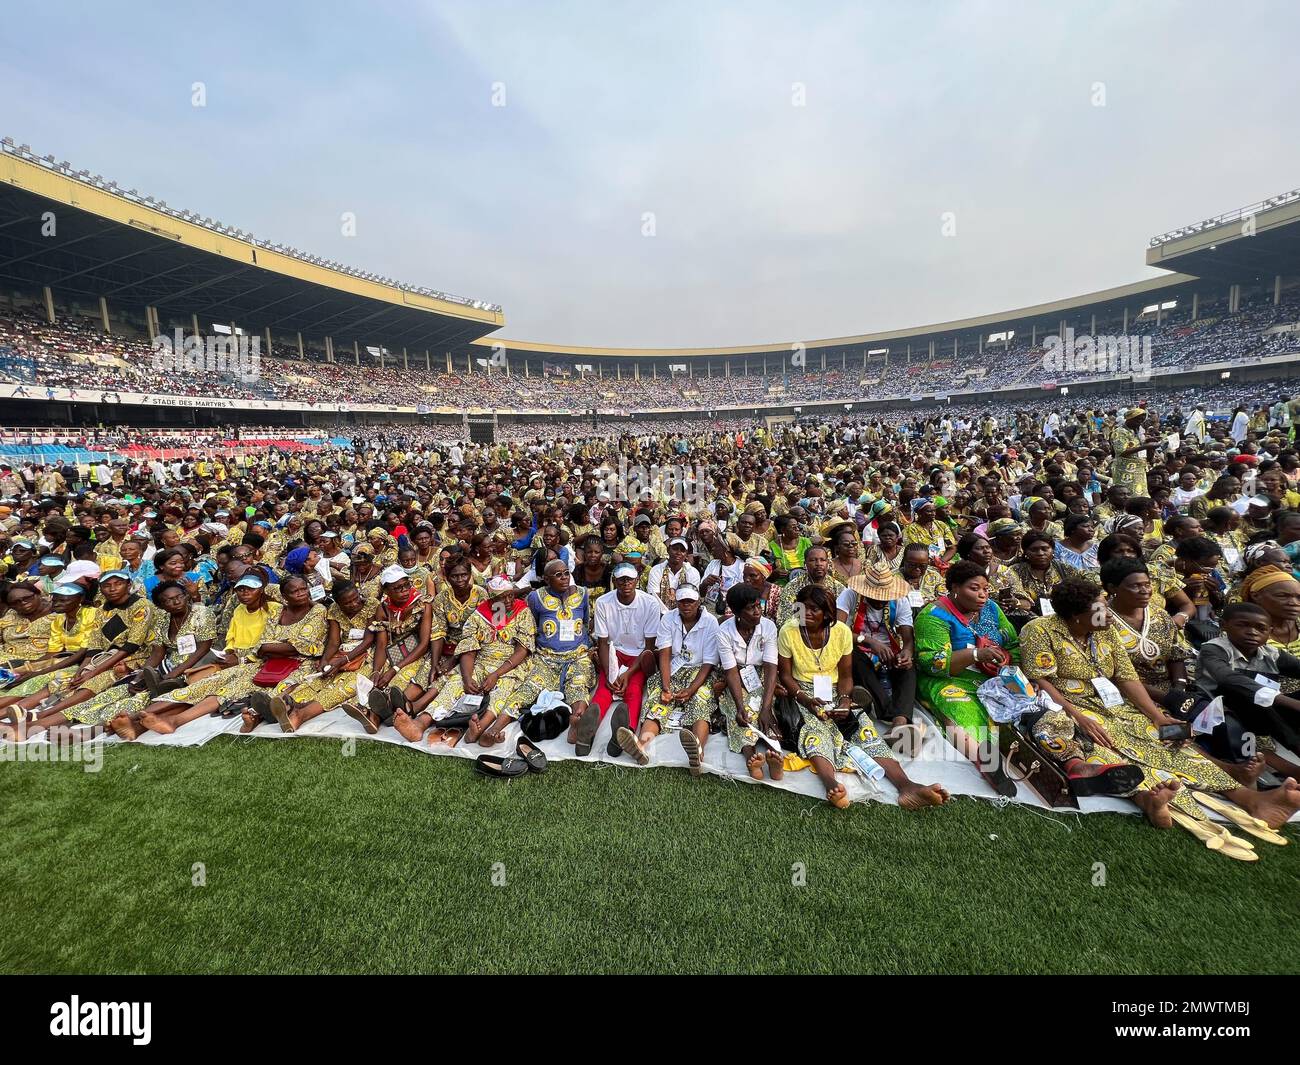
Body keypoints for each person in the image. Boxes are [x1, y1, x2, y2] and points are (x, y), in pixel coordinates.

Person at [1020, 575, 1300, 836]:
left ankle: (1247, 797)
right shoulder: (1041, 630)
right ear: (1075, 617)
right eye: (1100, 611)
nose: (1108, 615)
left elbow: (1125, 677)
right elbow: (1041, 680)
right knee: (1108, 742)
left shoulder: (1105, 630)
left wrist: (1157, 716)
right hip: (1069, 703)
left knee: (1168, 735)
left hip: (1113, 701)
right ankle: (1149, 799)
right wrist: (1080, 717)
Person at [776, 584, 948, 811]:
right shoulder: (789, 631)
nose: (806, 613)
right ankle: (831, 785)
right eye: (802, 607)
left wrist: (846, 699)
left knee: (864, 729)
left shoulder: (840, 632)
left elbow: (846, 676)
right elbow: (786, 676)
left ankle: (907, 786)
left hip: (835, 688)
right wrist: (805, 699)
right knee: (814, 729)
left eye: (813, 609)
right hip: (801, 691)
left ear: (827, 613)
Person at [913, 560, 1020, 795]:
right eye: (974, 588)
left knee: (1025, 702)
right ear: (954, 588)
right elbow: (932, 662)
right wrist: (975, 654)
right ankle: (986, 759)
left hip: (994, 675)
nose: (982, 595)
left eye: (985, 589)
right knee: (959, 708)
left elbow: (1012, 644)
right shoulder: (934, 616)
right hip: (948, 679)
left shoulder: (991, 609)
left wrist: (1005, 660)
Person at [616, 584, 719, 774]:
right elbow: (664, 653)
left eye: (690, 601)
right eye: (682, 601)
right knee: (657, 701)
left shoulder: (711, 622)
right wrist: (665, 686)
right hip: (672, 668)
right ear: (676, 602)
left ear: (699, 602)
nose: (686, 605)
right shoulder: (669, 619)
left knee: (701, 700)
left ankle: (698, 753)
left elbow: (709, 663)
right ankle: (641, 744)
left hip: (699, 671)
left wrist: (691, 689)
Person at [835, 563, 919, 746]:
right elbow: (837, 630)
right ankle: (893, 714)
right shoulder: (849, 595)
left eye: (884, 598)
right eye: (875, 597)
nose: (880, 602)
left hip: (889, 651)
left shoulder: (900, 600)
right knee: (852, 656)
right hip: (857, 647)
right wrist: (869, 641)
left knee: (909, 668)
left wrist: (906, 653)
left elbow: (908, 639)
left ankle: (899, 724)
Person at [591, 562, 663, 757]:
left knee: (634, 688)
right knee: (606, 687)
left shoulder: (650, 604)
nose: (626, 583)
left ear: (637, 580)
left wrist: (628, 674)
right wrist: (609, 673)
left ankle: (625, 732)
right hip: (613, 652)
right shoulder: (603, 602)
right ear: (614, 581)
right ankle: (589, 728)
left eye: (630, 579)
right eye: (621, 579)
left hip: (638, 656)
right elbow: (603, 642)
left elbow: (648, 648)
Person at [714, 583, 783, 780]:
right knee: (741, 716)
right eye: (750, 608)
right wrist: (739, 705)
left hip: (761, 675)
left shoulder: (768, 626)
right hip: (734, 677)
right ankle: (751, 758)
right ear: (737, 613)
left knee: (766, 712)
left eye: (758, 605)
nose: (757, 611)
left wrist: (767, 706)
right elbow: (731, 671)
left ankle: (774, 756)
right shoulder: (724, 632)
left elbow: (771, 667)